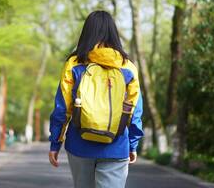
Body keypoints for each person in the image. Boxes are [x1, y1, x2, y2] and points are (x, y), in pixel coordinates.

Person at [48, 10, 144, 188]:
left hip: (79, 144)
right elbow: (134, 110)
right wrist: (132, 144)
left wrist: (55, 142)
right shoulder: (127, 66)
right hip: (116, 145)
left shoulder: (75, 63)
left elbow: (62, 108)